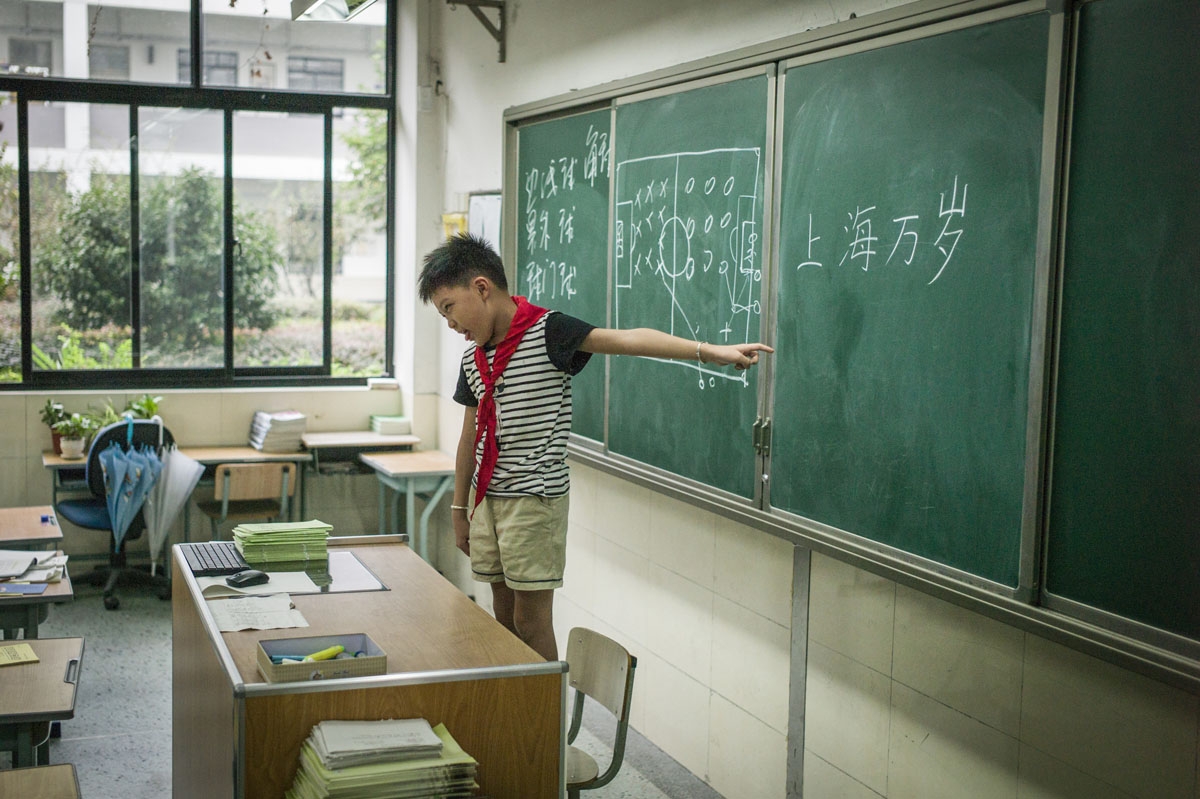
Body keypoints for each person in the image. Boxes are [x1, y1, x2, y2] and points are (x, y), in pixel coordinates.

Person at [418, 233, 772, 660]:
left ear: (481, 287)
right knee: (503, 612)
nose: (451, 324)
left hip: (534, 500)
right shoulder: (473, 358)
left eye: (449, 309)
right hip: (487, 498)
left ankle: (541, 720)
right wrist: (460, 508)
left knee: (531, 622)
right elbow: (469, 436)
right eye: (443, 316)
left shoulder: (548, 331)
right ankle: (513, 715)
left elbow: (626, 340)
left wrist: (706, 351)